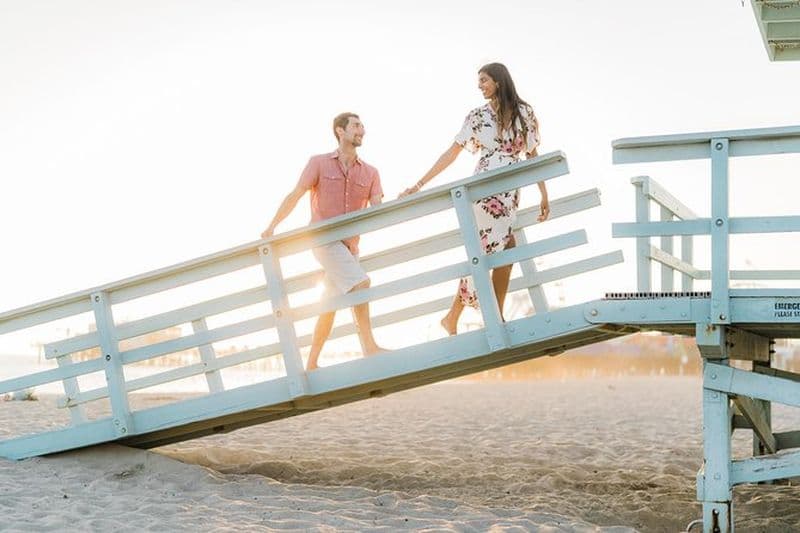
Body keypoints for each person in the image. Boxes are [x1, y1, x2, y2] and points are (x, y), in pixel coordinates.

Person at [400, 62, 550, 335]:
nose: (479, 85)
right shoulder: (476, 117)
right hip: (484, 188)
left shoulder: (524, 112)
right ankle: (494, 316)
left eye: (483, 80)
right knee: (501, 247)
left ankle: (457, 316)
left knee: (491, 250)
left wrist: (543, 192)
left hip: (511, 189)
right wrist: (418, 184)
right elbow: (451, 153)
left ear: (499, 81)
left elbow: (532, 154)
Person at [262, 112, 385, 370]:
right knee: (361, 283)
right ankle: (370, 348)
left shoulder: (372, 172)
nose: (362, 130)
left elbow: (377, 207)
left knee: (328, 304)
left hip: (350, 246)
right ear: (340, 131)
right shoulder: (318, 163)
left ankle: (312, 362)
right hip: (322, 240)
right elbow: (296, 194)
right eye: (356, 125)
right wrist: (273, 226)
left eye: (363, 126)